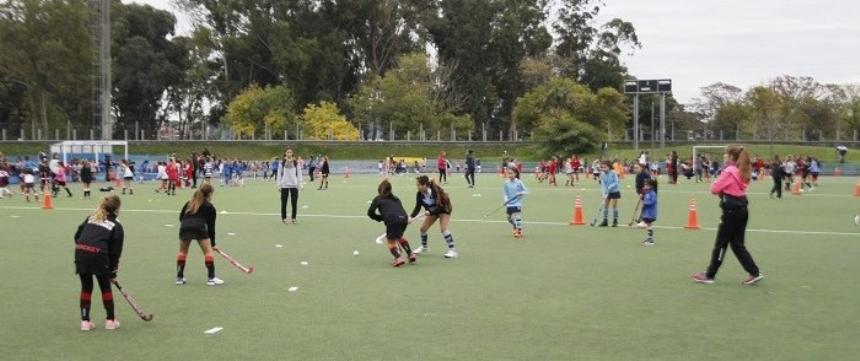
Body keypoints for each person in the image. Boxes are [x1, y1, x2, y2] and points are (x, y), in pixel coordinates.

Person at [692, 145, 764, 285]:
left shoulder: (729, 171)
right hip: (742, 209)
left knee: (721, 244)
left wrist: (719, 185)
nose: (724, 157)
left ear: (731, 157)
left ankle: (709, 275)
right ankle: (754, 272)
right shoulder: (741, 171)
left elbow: (714, 188)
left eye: (725, 154)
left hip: (731, 211)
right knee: (737, 244)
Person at [73, 195, 124, 331]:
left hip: (81, 253)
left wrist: (85, 248)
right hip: (98, 255)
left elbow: (77, 236)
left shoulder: (91, 218)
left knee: (86, 287)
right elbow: (115, 253)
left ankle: (85, 322)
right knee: (105, 287)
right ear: (117, 209)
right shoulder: (116, 226)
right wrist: (112, 272)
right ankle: (110, 321)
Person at [177, 184, 223, 286]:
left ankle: (179, 278)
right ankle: (211, 278)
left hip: (185, 227)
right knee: (208, 252)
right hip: (200, 228)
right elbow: (211, 227)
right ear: (209, 194)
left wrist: (188, 224)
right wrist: (213, 243)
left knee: (182, 252)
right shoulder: (210, 207)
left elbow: (181, 218)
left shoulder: (189, 203)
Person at [367, 179, 417, 267]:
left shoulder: (378, 198)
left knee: (390, 241)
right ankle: (410, 254)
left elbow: (370, 212)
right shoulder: (396, 198)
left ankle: (398, 258)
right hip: (404, 218)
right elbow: (399, 210)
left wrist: (380, 218)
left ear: (380, 190)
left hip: (392, 220)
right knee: (399, 236)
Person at [410, 175, 458, 258]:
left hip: (443, 209)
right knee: (423, 229)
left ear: (425, 185)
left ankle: (453, 251)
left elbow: (441, 206)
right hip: (432, 211)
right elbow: (417, 207)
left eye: (419, 185)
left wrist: (430, 211)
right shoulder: (419, 194)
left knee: (443, 228)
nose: (417, 187)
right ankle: (424, 247)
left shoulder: (436, 191)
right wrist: (411, 217)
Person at [277, 148, 303, 224]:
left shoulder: (296, 163)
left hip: (294, 185)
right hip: (284, 185)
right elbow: (279, 174)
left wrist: (300, 184)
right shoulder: (281, 163)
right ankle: (284, 218)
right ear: (285, 153)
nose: (289, 153)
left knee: (294, 203)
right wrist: (279, 185)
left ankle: (293, 218)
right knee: (284, 203)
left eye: (290, 152)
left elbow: (299, 174)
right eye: (287, 152)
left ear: (292, 153)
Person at [503, 167, 528, 238]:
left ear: (515, 174)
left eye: (511, 173)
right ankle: (514, 225)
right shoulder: (506, 183)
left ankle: (519, 231)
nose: (510, 175)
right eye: (508, 173)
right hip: (509, 203)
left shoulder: (519, 182)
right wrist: (505, 201)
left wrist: (520, 193)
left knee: (517, 216)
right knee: (509, 218)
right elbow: (505, 193)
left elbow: (526, 191)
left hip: (517, 203)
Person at [598, 161, 621, 227]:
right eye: (602, 167)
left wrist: (609, 187)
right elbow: (603, 185)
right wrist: (603, 194)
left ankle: (615, 221)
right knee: (605, 206)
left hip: (615, 191)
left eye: (605, 167)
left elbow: (616, 182)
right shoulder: (602, 174)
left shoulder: (613, 173)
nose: (603, 169)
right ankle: (605, 221)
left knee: (614, 206)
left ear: (609, 167)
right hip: (607, 192)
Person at [640, 179, 658, 246]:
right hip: (647, 213)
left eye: (646, 185)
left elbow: (652, 202)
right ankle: (649, 238)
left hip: (651, 213)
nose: (645, 186)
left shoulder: (653, 193)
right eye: (645, 184)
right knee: (648, 225)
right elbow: (645, 199)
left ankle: (650, 240)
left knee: (648, 224)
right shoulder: (647, 193)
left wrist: (645, 203)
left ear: (651, 186)